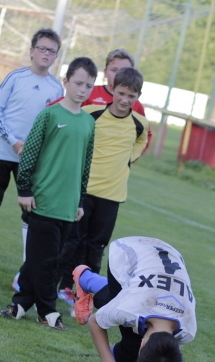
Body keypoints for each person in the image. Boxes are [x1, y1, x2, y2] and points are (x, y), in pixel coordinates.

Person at [0, 57, 97, 331]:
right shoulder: (49, 114)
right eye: (78, 83)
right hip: (42, 201)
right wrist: (25, 190)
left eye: (88, 86)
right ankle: (48, 311)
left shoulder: (89, 123)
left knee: (39, 258)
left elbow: (85, 165)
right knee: (48, 260)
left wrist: (79, 201)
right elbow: (28, 154)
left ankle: (19, 305)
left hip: (68, 206)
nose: (82, 90)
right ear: (65, 81)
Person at [0, 29, 64, 271]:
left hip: (31, 159)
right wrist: (13, 141)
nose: (46, 54)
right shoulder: (15, 78)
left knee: (31, 209)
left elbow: (53, 126)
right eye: (41, 48)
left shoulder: (56, 89)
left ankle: (27, 266)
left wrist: (35, 150)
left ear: (56, 57)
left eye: (51, 51)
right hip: (0, 152)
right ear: (31, 51)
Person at [56, 67, 149, 297]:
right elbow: (73, 131)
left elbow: (142, 140)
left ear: (138, 97)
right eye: (121, 93)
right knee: (72, 241)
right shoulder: (92, 113)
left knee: (96, 247)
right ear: (112, 90)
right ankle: (63, 287)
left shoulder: (140, 123)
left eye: (131, 96)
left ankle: (87, 293)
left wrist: (128, 158)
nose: (125, 100)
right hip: (83, 191)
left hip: (112, 196)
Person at [70, 236, 195, 362]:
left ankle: (86, 279)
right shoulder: (131, 308)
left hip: (167, 257)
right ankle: (84, 278)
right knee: (127, 338)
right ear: (143, 345)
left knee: (118, 313)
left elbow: (163, 356)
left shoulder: (188, 330)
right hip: (128, 251)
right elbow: (95, 322)